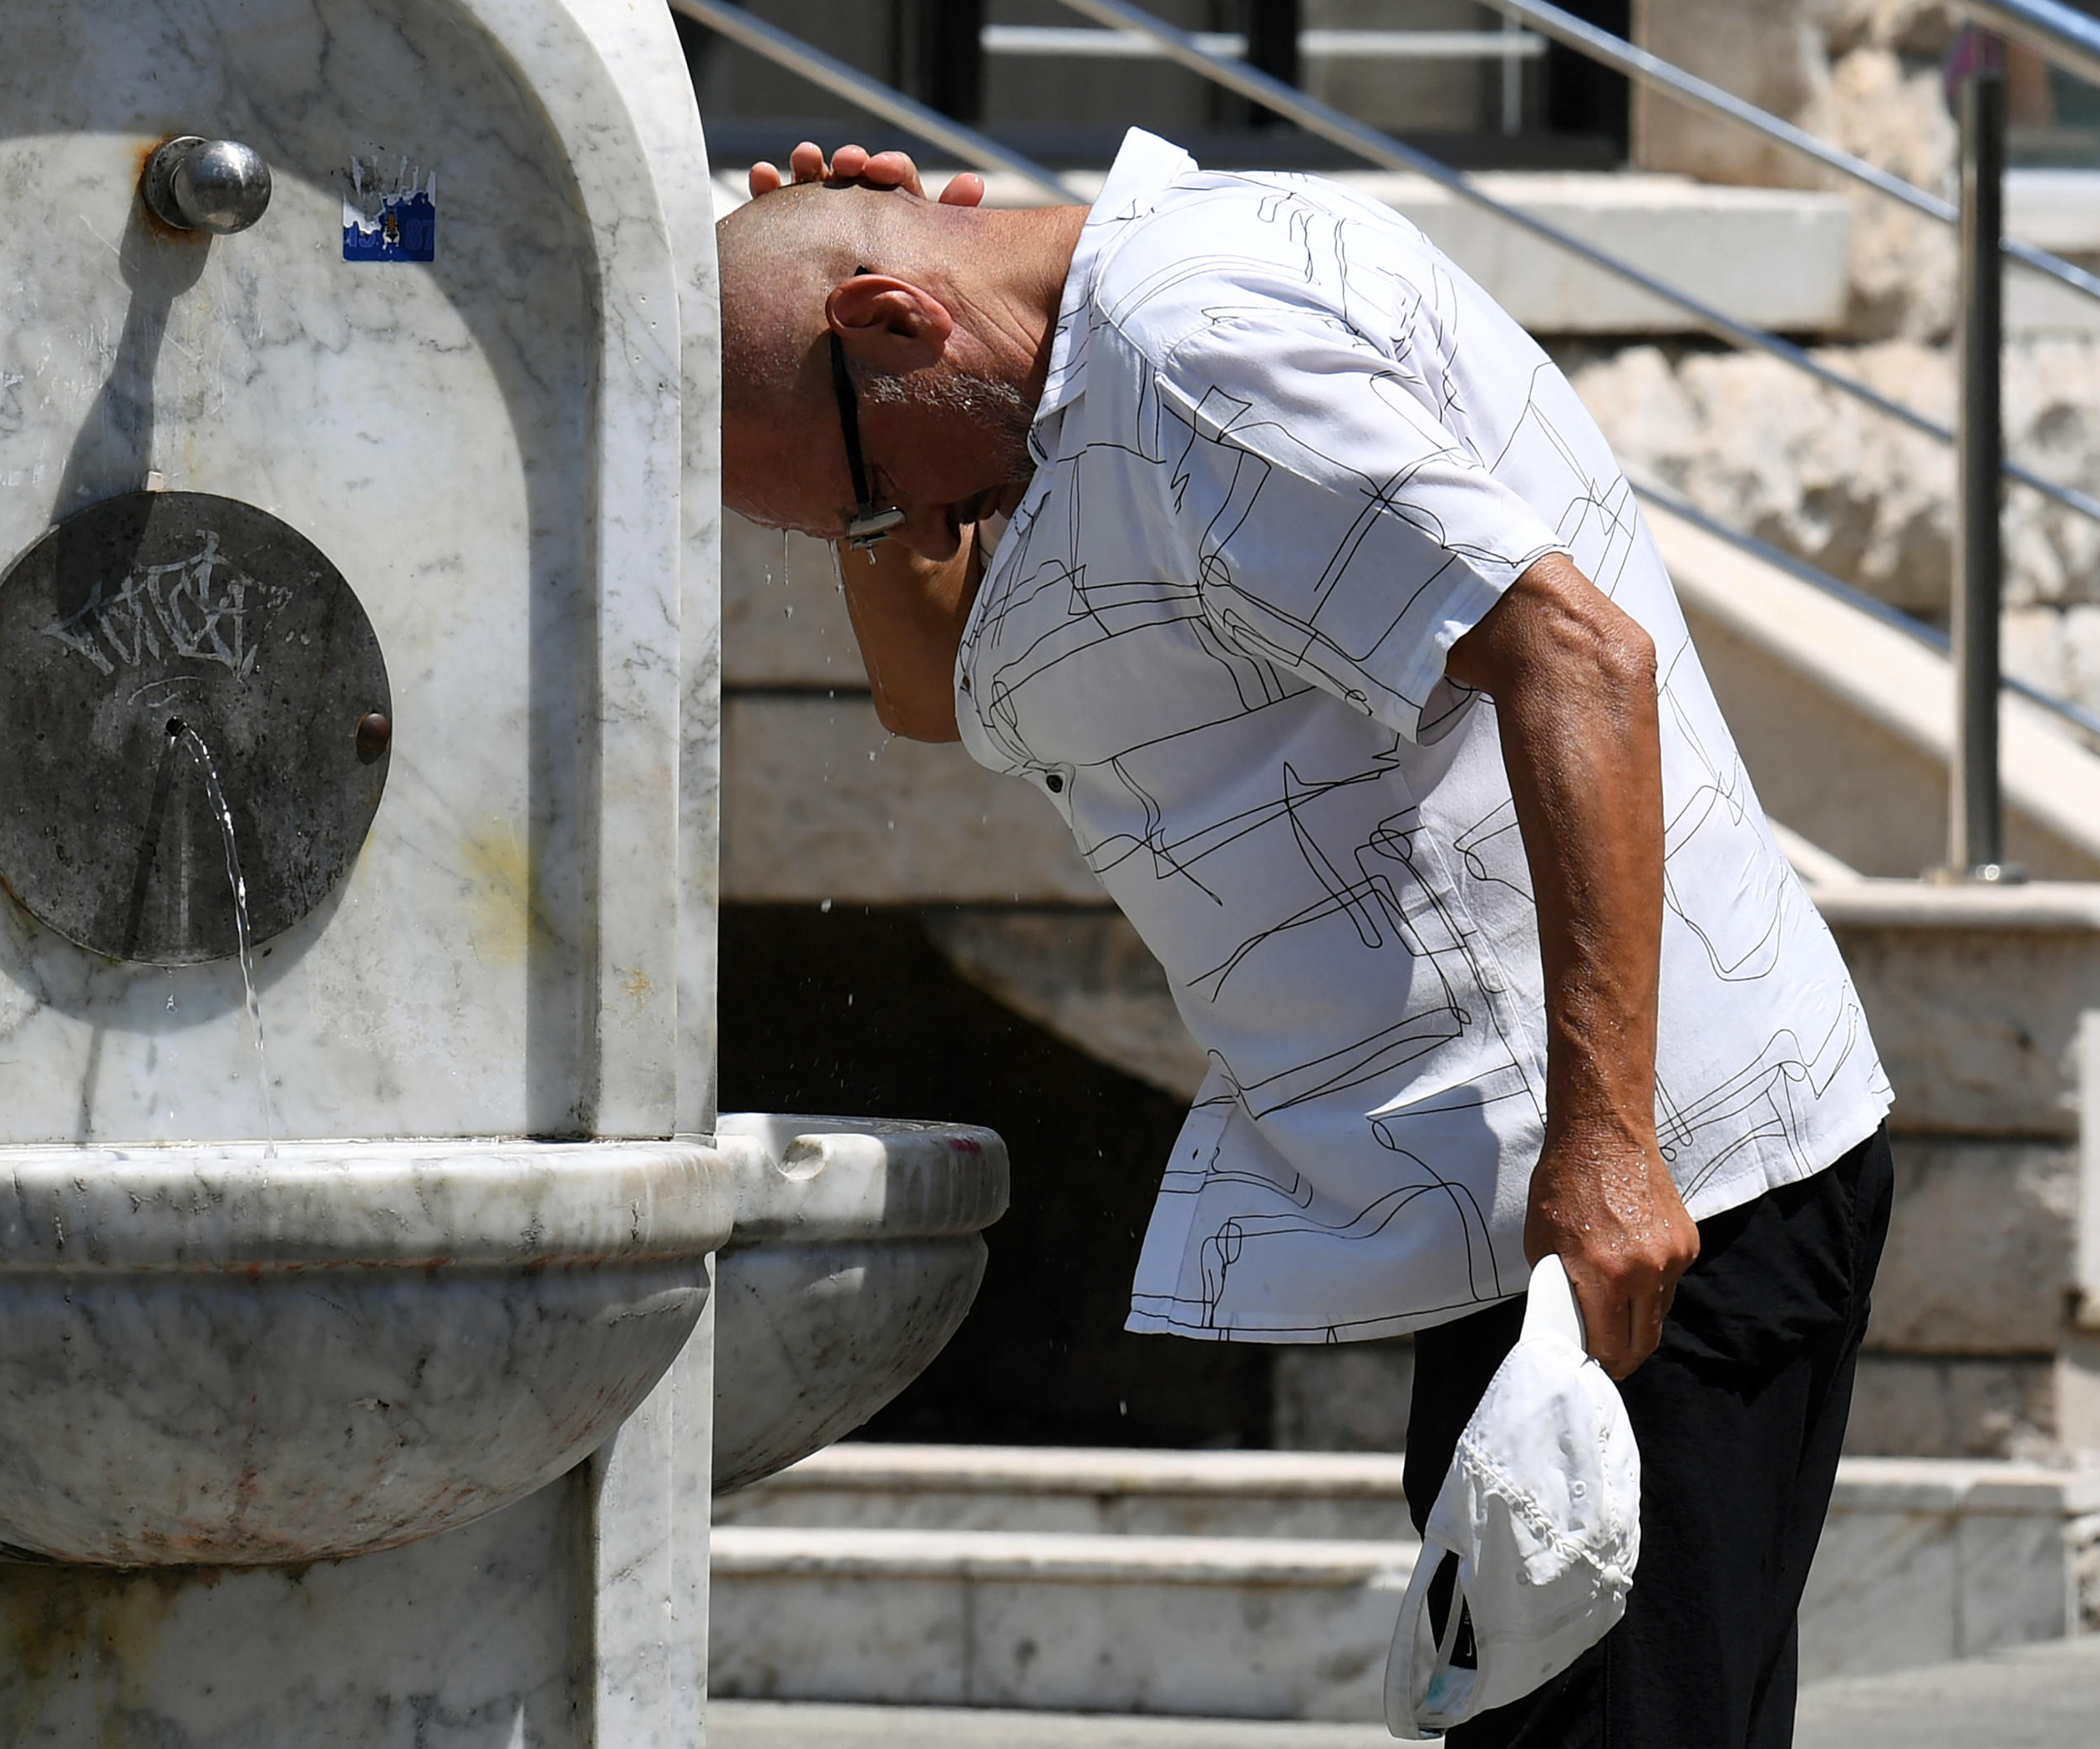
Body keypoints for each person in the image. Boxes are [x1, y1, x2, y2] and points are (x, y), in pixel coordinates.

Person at [719, 133, 1895, 1746]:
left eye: (859, 491)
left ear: (899, 323)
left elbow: (1580, 665)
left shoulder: (1202, 364)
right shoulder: (1069, 389)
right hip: (1540, 1204)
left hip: (1645, 1200)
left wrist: (1611, 1147)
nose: (885, 525)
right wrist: (872, 471)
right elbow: (935, 692)